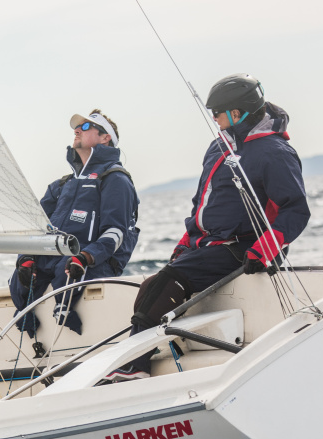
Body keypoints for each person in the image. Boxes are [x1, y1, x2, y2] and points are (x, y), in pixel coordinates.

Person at [108, 73, 310, 382]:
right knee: (153, 285)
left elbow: (295, 210)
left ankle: (134, 366)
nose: (213, 118)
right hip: (209, 244)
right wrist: (186, 242)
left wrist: (263, 251)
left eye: (218, 112)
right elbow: (203, 203)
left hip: (246, 249)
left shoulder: (274, 152)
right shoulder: (219, 146)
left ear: (238, 112)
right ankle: (137, 359)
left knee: (162, 284)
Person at [8, 109, 140, 336]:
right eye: (76, 127)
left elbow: (116, 233)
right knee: (20, 278)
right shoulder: (62, 184)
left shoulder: (116, 179)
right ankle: (27, 316)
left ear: (105, 138)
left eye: (87, 126)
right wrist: (26, 257)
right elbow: (36, 226)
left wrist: (85, 257)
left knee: (66, 267)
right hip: (58, 259)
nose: (77, 130)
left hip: (89, 260)